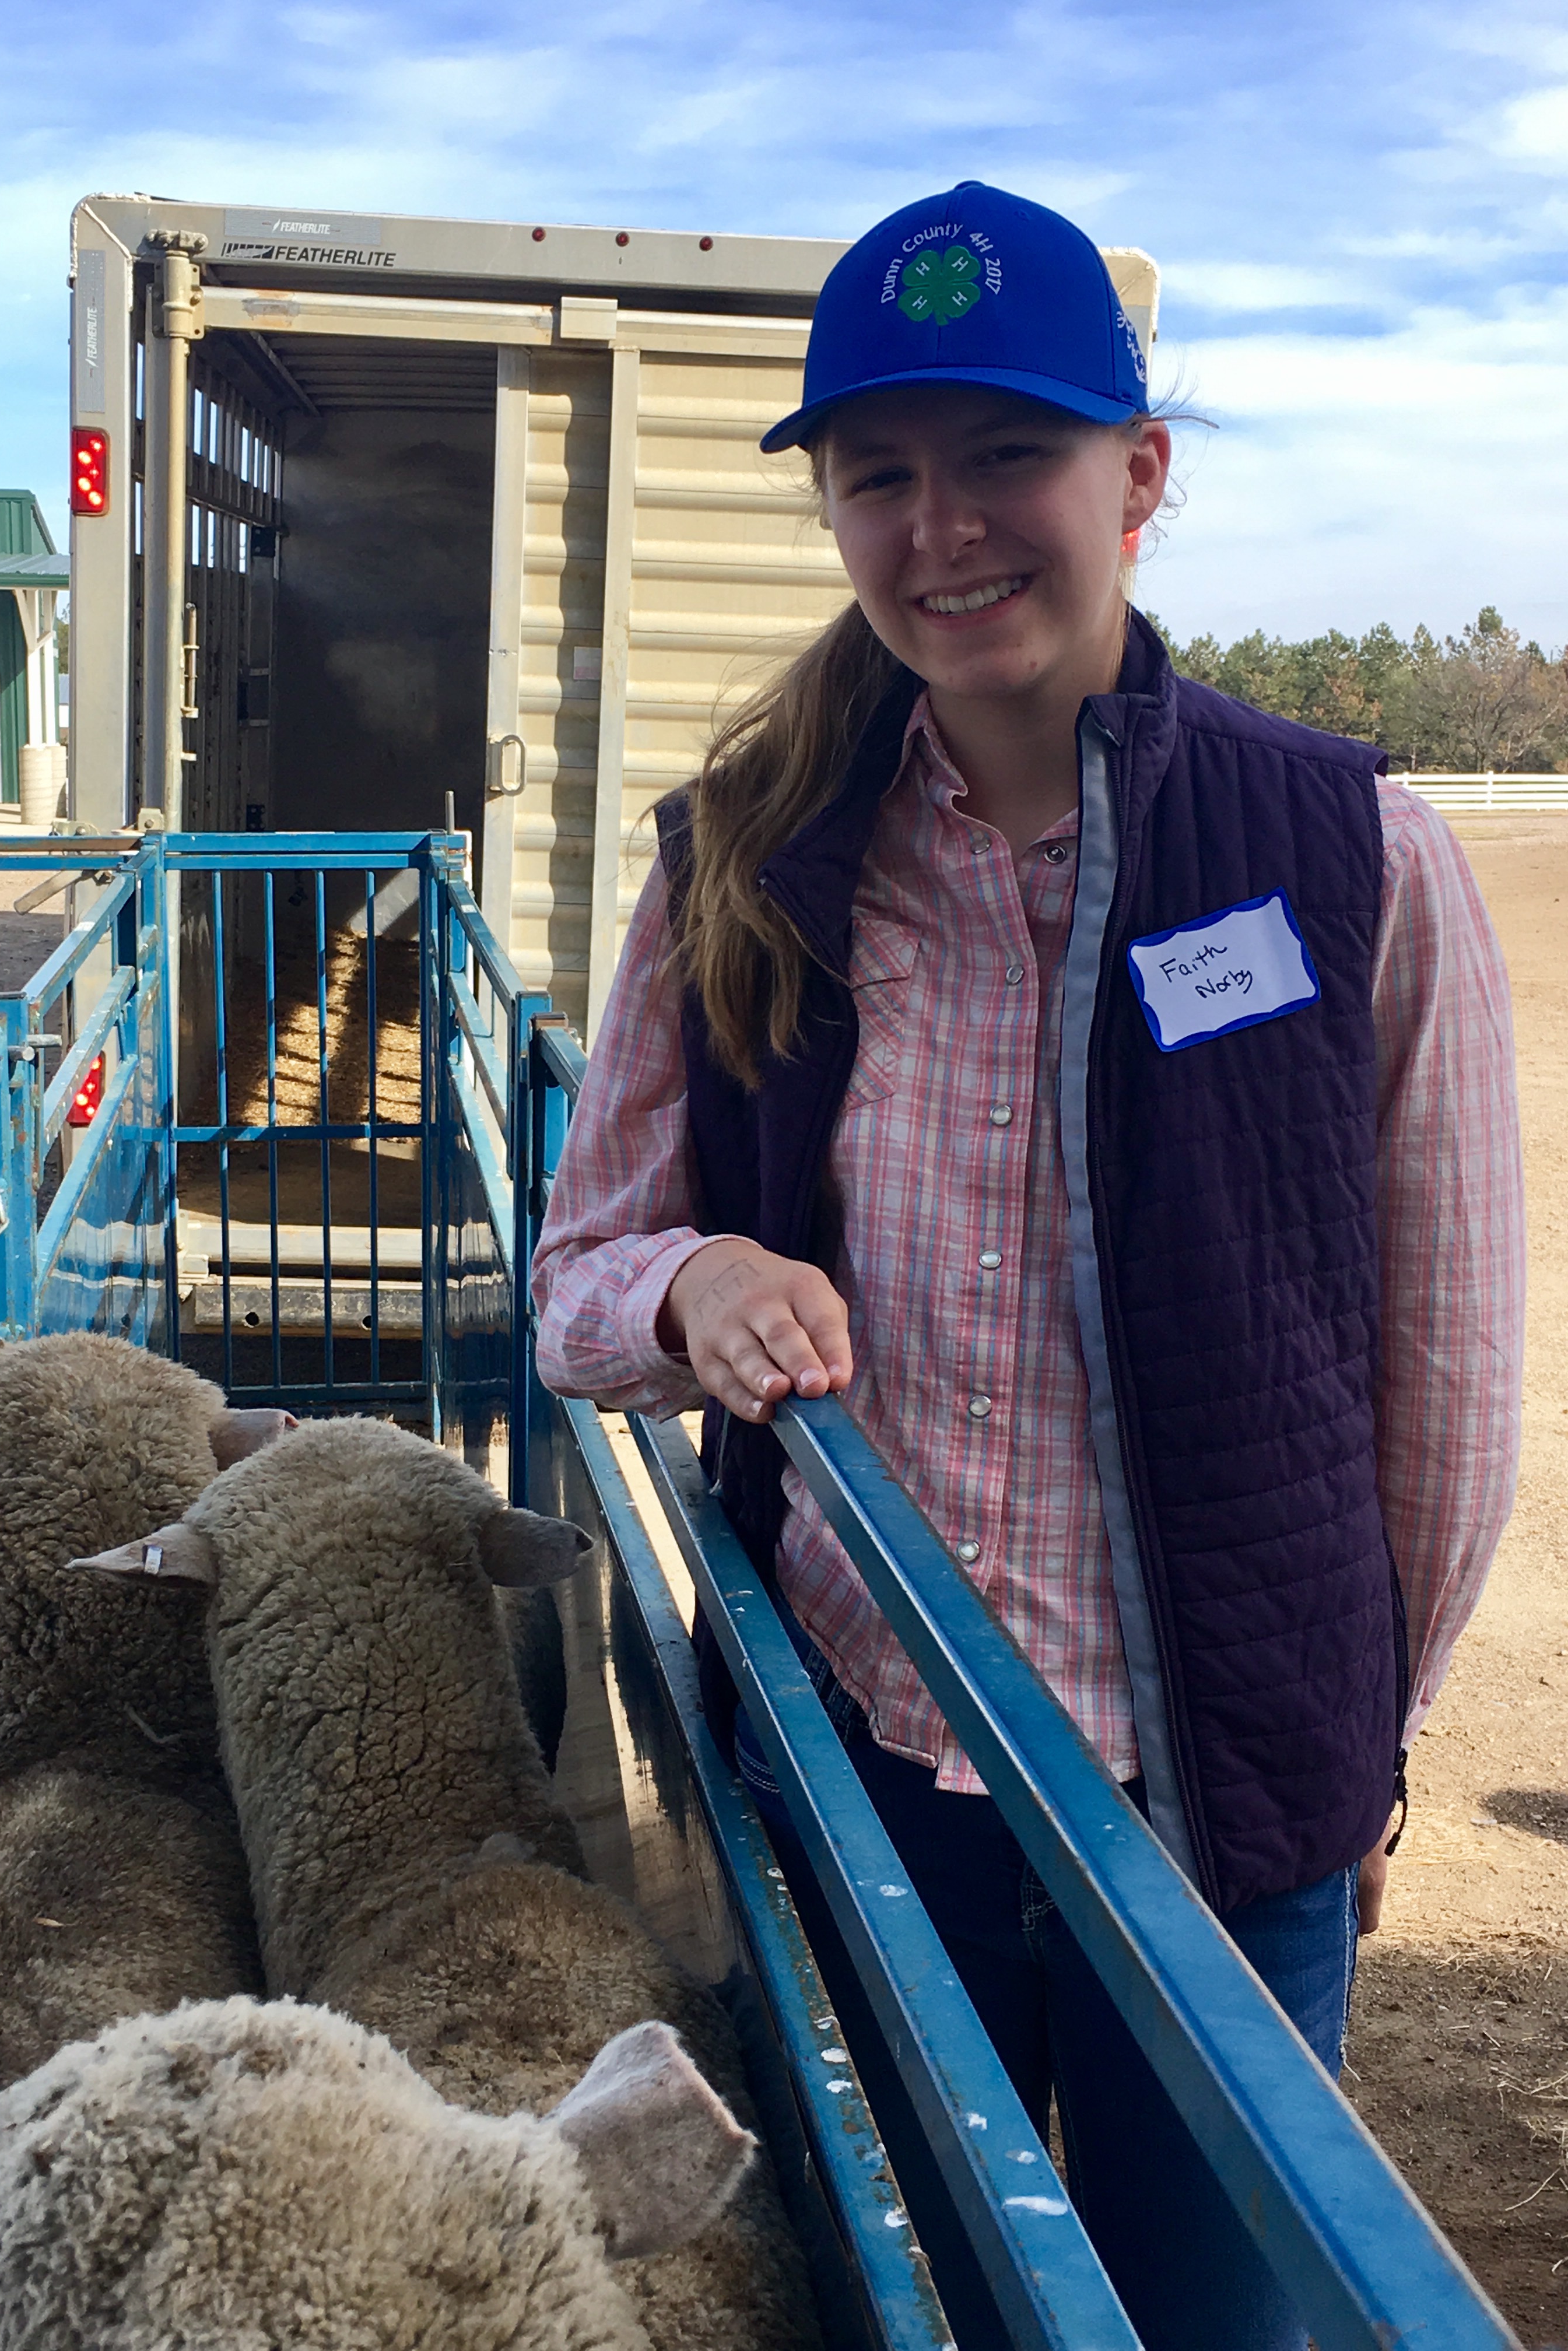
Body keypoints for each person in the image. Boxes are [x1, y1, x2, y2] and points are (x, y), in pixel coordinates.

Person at [532, 180, 1523, 2351]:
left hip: (1219, 1805)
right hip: (869, 1757)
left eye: (1008, 456)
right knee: (924, 2291)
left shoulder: (1350, 851)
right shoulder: (745, 862)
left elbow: (1446, 1382)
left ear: (1139, 476)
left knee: (1217, 2310)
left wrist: (1365, 1744)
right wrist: (690, 1279)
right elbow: (577, 1271)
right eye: (877, 473)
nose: (941, 526)